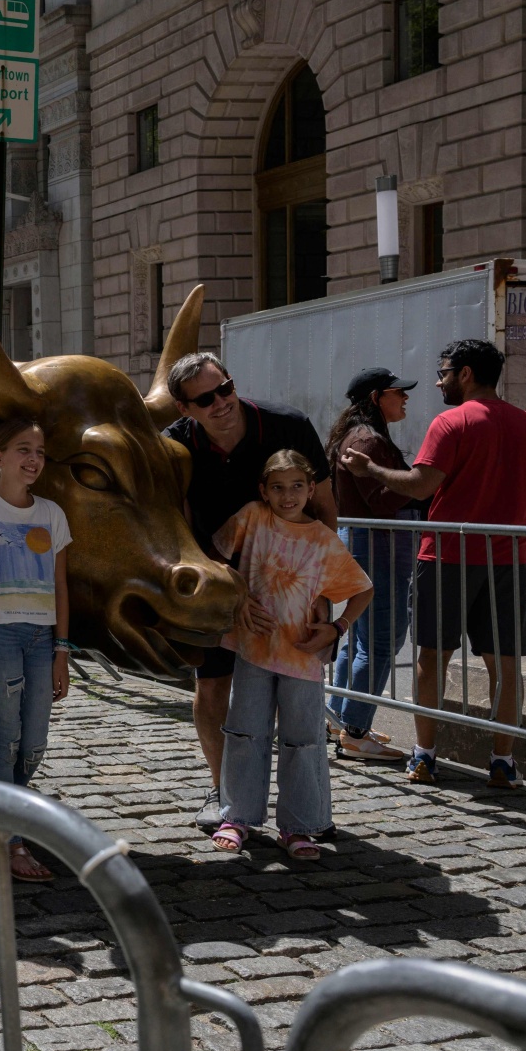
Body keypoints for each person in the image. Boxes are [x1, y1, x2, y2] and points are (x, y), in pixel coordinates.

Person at [340, 338, 526, 788]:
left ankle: (424, 756)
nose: (439, 382)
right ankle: (502, 761)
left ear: (466, 374)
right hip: (508, 560)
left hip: (446, 557)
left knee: (432, 658)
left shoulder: (451, 422)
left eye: (443, 373)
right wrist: (525, 550)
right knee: (505, 666)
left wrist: (370, 469)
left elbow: (420, 486)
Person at [162, 353, 336, 830]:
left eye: (226, 387)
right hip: (215, 581)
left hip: (291, 585)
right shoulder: (174, 446)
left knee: (299, 704)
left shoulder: (288, 426)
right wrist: (226, 587)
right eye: (205, 399)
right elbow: (176, 524)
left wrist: (322, 593)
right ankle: (227, 799)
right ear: (184, 409)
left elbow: (325, 507)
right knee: (213, 688)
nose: (221, 402)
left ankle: (307, 813)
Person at [208, 451, 373, 859]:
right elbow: (214, 559)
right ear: (263, 490)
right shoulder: (252, 517)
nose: (288, 495)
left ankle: (298, 826)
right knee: (244, 733)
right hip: (254, 647)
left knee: (303, 741)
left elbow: (363, 589)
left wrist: (338, 628)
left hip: (302, 656)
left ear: (311, 489)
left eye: (297, 486)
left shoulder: (322, 539)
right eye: (278, 487)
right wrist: (237, 593)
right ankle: (237, 817)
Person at [0, 418, 70, 884]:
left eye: (39, 452)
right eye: (24, 449)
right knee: (6, 737)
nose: (33, 459)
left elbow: (60, 586)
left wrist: (63, 649)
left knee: (35, 741)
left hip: (42, 639)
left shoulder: (52, 513)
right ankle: (10, 840)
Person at [324, 367, 423, 762]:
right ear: (376, 397)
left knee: (362, 639)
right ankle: (355, 732)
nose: (405, 397)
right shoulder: (367, 439)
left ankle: (340, 719)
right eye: (398, 392)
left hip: (367, 543)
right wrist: (421, 486)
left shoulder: (360, 434)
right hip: (377, 544)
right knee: (382, 640)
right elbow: (382, 500)